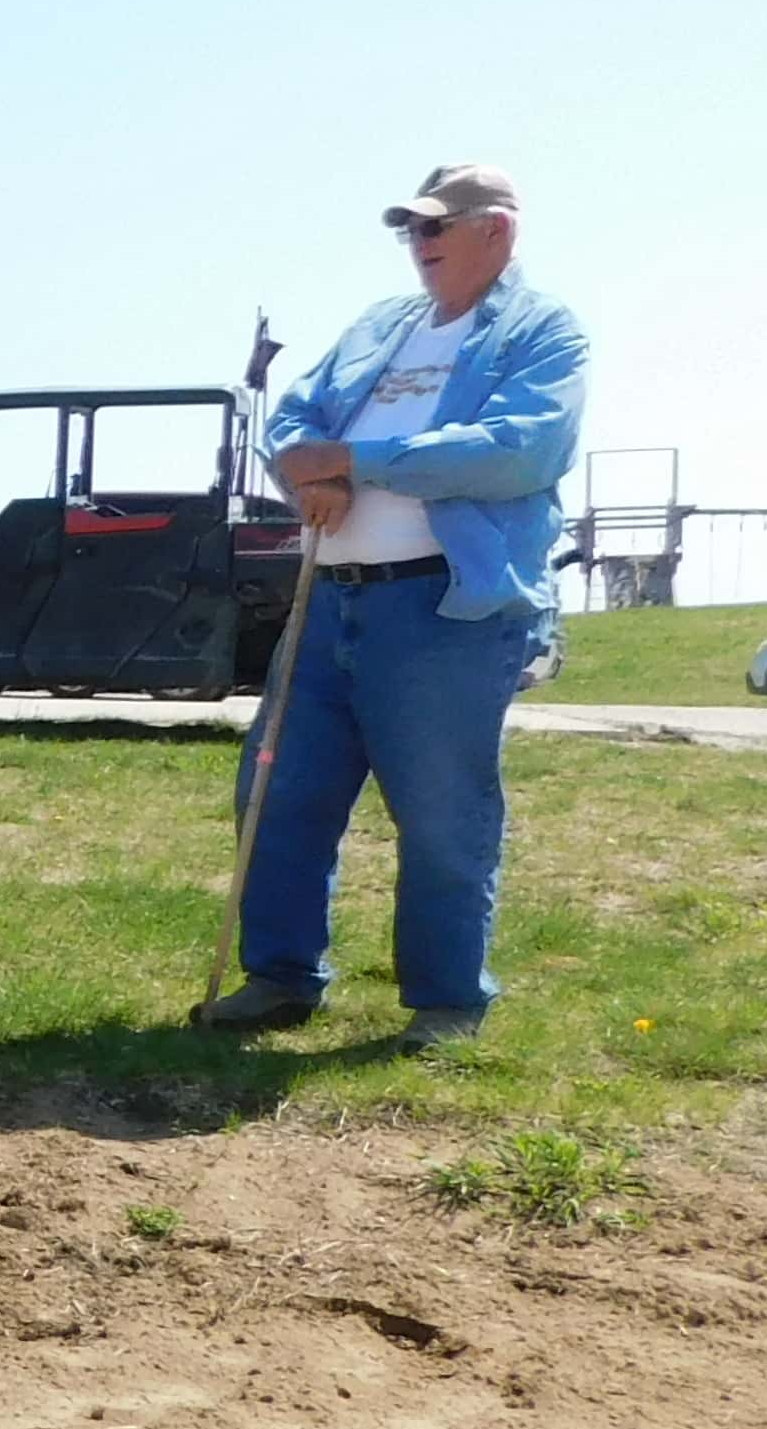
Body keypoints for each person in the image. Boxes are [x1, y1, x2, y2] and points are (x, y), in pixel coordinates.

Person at [203, 163, 589, 1051]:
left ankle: (447, 1001)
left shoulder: (543, 332)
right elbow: (293, 420)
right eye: (412, 230)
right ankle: (280, 977)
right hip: (326, 600)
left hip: (442, 610)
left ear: (497, 231)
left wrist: (357, 466)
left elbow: (518, 450)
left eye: (437, 227)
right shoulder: (382, 326)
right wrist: (310, 465)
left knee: (443, 811)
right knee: (277, 791)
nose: (421, 245)